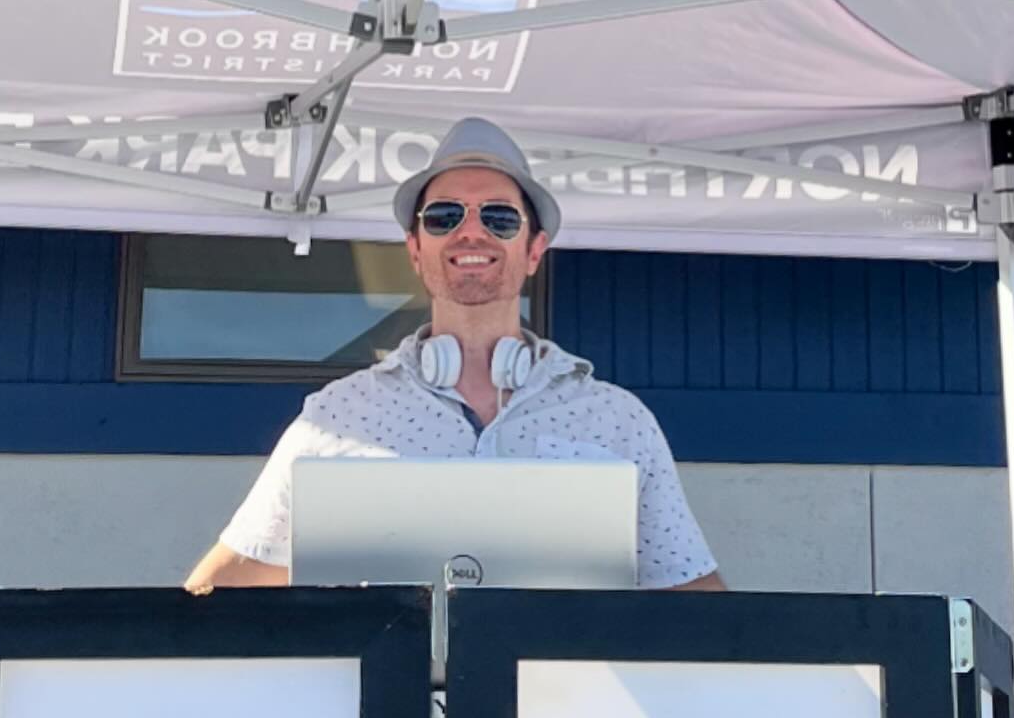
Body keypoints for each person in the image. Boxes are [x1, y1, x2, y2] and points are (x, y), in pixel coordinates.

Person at [185, 116, 725, 592]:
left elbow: (694, 601)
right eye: (444, 216)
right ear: (415, 250)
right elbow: (221, 587)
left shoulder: (618, 420)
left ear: (534, 250)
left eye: (500, 217)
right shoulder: (338, 414)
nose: (471, 232)